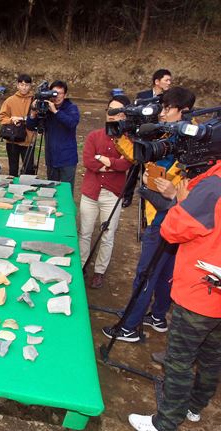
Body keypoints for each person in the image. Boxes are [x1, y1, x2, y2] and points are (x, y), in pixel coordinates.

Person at [128, 159, 221, 431]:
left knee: (179, 360)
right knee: (212, 357)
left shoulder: (213, 186)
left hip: (199, 293)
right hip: (216, 293)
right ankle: (195, 406)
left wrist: (181, 202)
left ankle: (166, 421)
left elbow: (172, 230)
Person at [102, 87, 195, 343]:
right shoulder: (173, 133)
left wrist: (161, 184)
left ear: (183, 111)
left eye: (167, 109)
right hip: (173, 215)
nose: (162, 113)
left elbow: (183, 178)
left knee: (146, 272)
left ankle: (129, 326)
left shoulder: (188, 141)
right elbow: (139, 155)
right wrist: (122, 134)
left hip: (165, 215)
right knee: (166, 270)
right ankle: (157, 315)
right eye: (162, 107)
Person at [79, 95, 133, 289]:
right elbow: (88, 161)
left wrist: (103, 159)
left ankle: (99, 271)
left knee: (108, 234)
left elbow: (127, 163)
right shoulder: (94, 135)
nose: (112, 115)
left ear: (125, 115)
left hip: (112, 194)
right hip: (91, 192)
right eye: (110, 110)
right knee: (85, 232)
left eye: (118, 112)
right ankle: (81, 266)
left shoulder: (128, 140)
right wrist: (112, 164)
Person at [122, 69, 172, 208]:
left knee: (151, 171)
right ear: (157, 81)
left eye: (170, 80)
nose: (169, 83)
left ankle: (148, 200)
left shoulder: (170, 98)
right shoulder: (143, 96)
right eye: (166, 80)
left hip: (159, 140)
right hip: (141, 137)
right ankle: (127, 196)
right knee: (134, 169)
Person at [26, 80, 80, 193]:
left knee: (66, 191)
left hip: (67, 158)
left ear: (65, 95)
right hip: (51, 157)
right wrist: (33, 112)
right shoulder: (45, 107)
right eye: (54, 93)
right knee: (52, 190)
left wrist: (55, 111)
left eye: (60, 93)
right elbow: (31, 127)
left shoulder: (71, 108)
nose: (56, 96)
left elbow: (72, 123)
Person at [0, 73, 35, 176]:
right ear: (18, 85)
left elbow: (37, 118)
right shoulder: (10, 100)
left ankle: (26, 188)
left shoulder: (34, 100)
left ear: (30, 86)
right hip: (12, 138)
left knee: (29, 169)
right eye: (22, 85)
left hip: (28, 139)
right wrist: (11, 120)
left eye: (27, 85)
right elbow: (2, 117)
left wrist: (24, 119)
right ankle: (13, 188)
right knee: (13, 169)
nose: (24, 87)